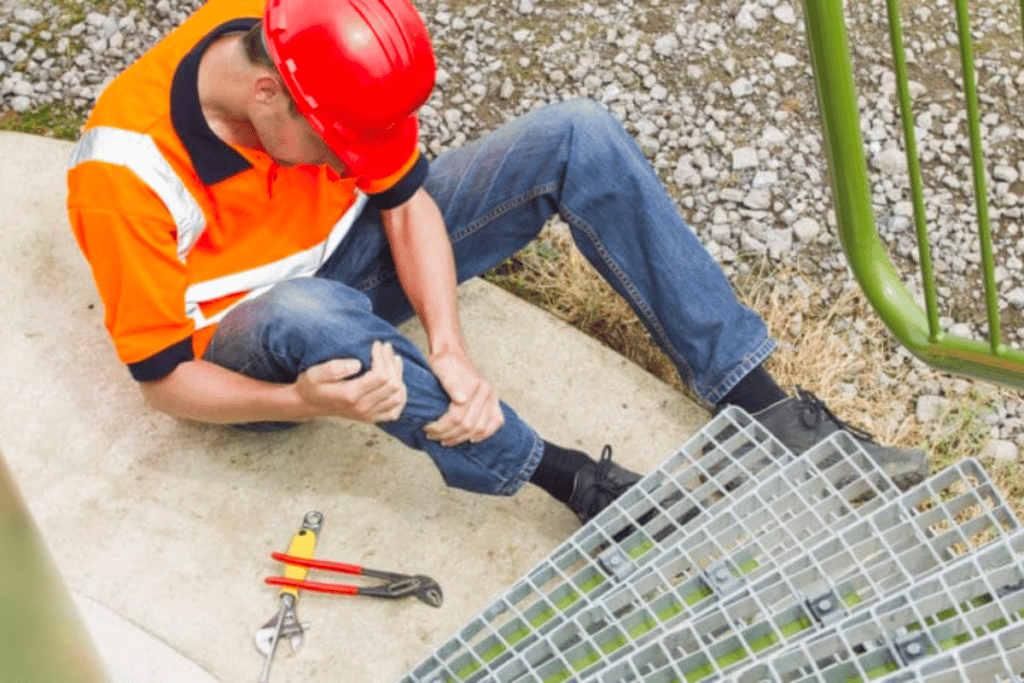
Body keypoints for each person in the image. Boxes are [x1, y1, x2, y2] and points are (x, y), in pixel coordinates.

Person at [66, 0, 927, 525]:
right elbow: (164, 382)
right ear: (266, 98)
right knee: (304, 308)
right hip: (259, 348)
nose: (348, 162)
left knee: (576, 134)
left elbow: (403, 205)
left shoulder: (300, 34)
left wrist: (448, 345)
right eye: (337, 145)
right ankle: (564, 475)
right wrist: (297, 399)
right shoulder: (124, 177)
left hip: (343, 262)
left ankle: (760, 404)